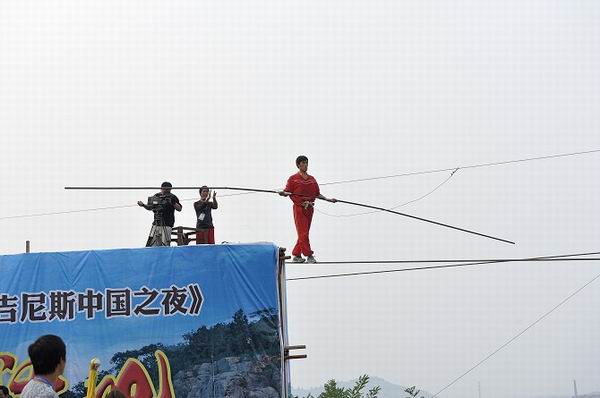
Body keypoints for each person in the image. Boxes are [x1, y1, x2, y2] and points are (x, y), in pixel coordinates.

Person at [280, 155, 336, 263]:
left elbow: (317, 194)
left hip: (309, 208)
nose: (305, 165)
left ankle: (296, 255)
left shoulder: (312, 179)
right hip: (299, 208)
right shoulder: (293, 179)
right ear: (298, 165)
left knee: (304, 233)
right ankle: (309, 255)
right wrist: (283, 193)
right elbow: (287, 191)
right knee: (303, 233)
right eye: (303, 163)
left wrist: (328, 199)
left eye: (306, 163)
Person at [138, 182, 182, 247]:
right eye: (165, 189)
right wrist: (143, 205)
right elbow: (150, 207)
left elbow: (179, 208)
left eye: (168, 190)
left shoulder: (172, 197)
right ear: (161, 188)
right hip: (156, 222)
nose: (166, 191)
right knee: (152, 244)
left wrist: (173, 203)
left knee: (165, 244)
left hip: (167, 223)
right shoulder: (156, 196)